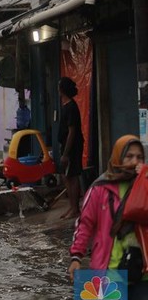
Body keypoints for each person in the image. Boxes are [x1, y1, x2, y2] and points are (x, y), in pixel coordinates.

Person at [69, 135, 148, 300]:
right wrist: (76, 256)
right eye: (129, 156)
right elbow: (85, 223)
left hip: (143, 270)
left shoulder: (146, 184)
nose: (134, 162)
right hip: (109, 269)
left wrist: (145, 179)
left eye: (139, 157)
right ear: (117, 158)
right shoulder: (100, 187)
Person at [58, 77, 84, 219]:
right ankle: (72, 206)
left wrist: (66, 154)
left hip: (72, 147)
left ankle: (75, 209)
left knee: (72, 176)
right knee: (65, 176)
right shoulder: (65, 105)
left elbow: (72, 131)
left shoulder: (71, 107)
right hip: (66, 145)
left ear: (62, 89)